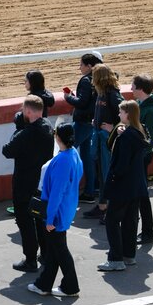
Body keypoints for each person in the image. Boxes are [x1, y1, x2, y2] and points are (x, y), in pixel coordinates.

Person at [27, 124, 83, 298]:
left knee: (60, 250)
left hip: (57, 212)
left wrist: (50, 219)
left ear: (58, 138)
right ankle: (44, 284)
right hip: (66, 208)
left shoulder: (62, 160)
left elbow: (57, 192)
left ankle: (70, 286)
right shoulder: (73, 154)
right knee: (54, 249)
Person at [1, 95, 55, 272]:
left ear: (29, 111)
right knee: (40, 218)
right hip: (42, 182)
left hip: (24, 183)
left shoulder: (26, 134)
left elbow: (7, 150)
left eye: (24, 110)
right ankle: (46, 254)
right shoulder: (47, 126)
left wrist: (19, 129)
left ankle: (30, 259)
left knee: (25, 221)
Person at [97, 101, 149, 272]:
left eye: (121, 112)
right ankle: (128, 255)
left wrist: (112, 180)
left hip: (122, 186)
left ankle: (115, 259)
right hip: (136, 186)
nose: (119, 115)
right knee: (130, 221)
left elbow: (120, 165)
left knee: (112, 220)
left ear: (128, 114)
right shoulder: (139, 133)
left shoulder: (126, 137)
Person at [83, 63, 124, 222]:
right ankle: (102, 206)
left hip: (107, 142)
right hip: (100, 140)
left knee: (107, 175)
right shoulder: (101, 93)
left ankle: (111, 210)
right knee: (101, 174)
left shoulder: (112, 94)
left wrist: (113, 127)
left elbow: (126, 113)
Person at [63, 51, 101, 205]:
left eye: (81, 65)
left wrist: (69, 98)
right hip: (91, 123)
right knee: (87, 158)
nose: (80, 68)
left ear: (89, 66)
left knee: (64, 152)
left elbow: (82, 103)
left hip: (82, 123)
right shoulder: (98, 79)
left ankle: (64, 190)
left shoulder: (86, 80)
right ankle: (90, 191)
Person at [131, 75, 153, 245]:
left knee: (142, 195)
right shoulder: (141, 104)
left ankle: (148, 232)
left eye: (133, 86)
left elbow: (147, 139)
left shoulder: (149, 111)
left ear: (141, 89)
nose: (131, 89)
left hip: (141, 156)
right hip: (138, 155)